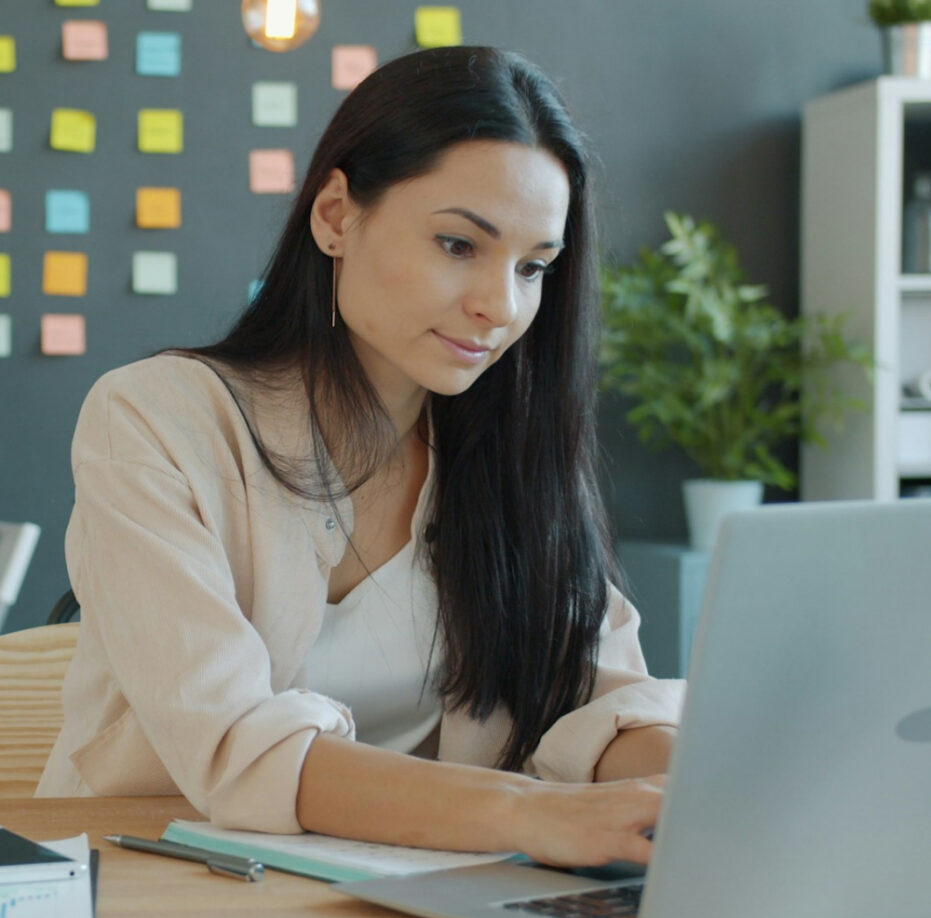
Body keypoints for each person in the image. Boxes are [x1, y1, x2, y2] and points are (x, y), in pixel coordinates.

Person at [38, 46, 684, 868]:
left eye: (532, 268)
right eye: (458, 245)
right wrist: (527, 814)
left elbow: (596, 702)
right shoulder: (155, 419)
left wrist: (695, 783)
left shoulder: (513, 457)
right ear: (336, 215)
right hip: (154, 881)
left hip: (413, 895)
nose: (500, 304)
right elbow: (236, 743)